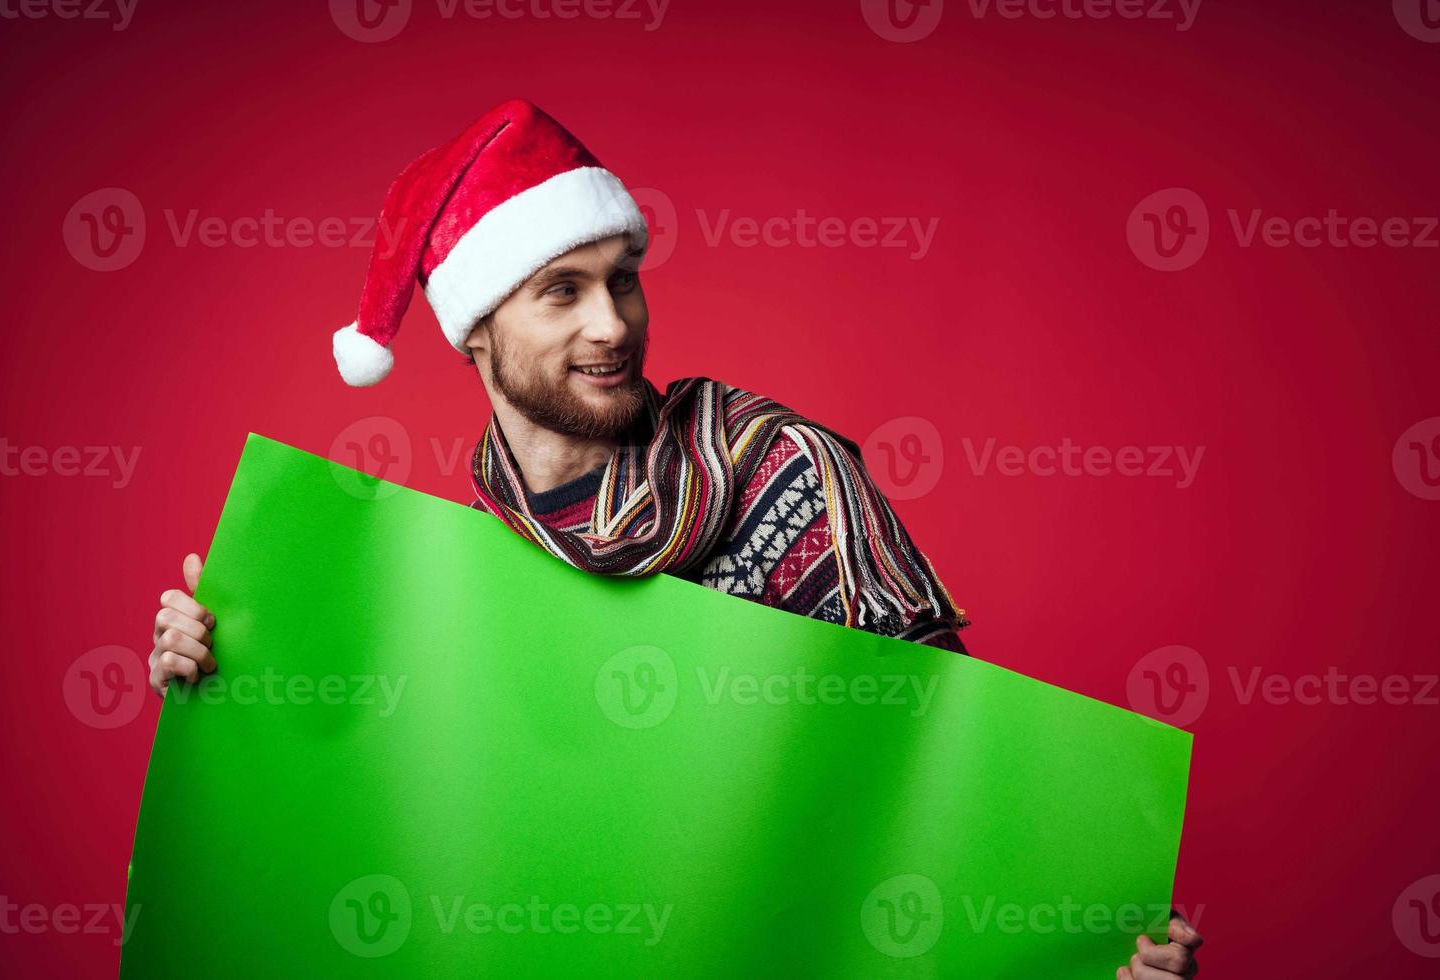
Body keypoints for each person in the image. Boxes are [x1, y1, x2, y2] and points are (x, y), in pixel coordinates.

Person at [144, 98, 1201, 978]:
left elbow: (944, 780)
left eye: (622, 277)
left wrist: (1097, 948)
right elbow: (388, 845)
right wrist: (224, 680)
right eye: (561, 289)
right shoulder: (463, 574)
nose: (610, 322)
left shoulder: (787, 475)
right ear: (475, 330)